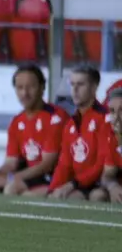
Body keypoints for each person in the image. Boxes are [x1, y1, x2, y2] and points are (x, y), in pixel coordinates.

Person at [0, 65, 65, 195]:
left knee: (11, 189)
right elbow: (11, 161)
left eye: (31, 87)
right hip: (29, 175)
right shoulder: (17, 122)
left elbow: (47, 165)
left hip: (52, 176)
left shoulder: (56, 118)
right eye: (20, 88)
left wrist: (15, 177)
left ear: (42, 87)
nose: (25, 93)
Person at [49, 66, 114, 201]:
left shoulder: (106, 119)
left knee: (97, 197)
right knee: (61, 196)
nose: (75, 90)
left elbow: (102, 163)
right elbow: (64, 164)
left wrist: (73, 184)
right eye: (72, 84)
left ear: (94, 87)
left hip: (102, 183)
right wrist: (52, 189)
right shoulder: (70, 124)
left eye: (80, 84)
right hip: (79, 184)